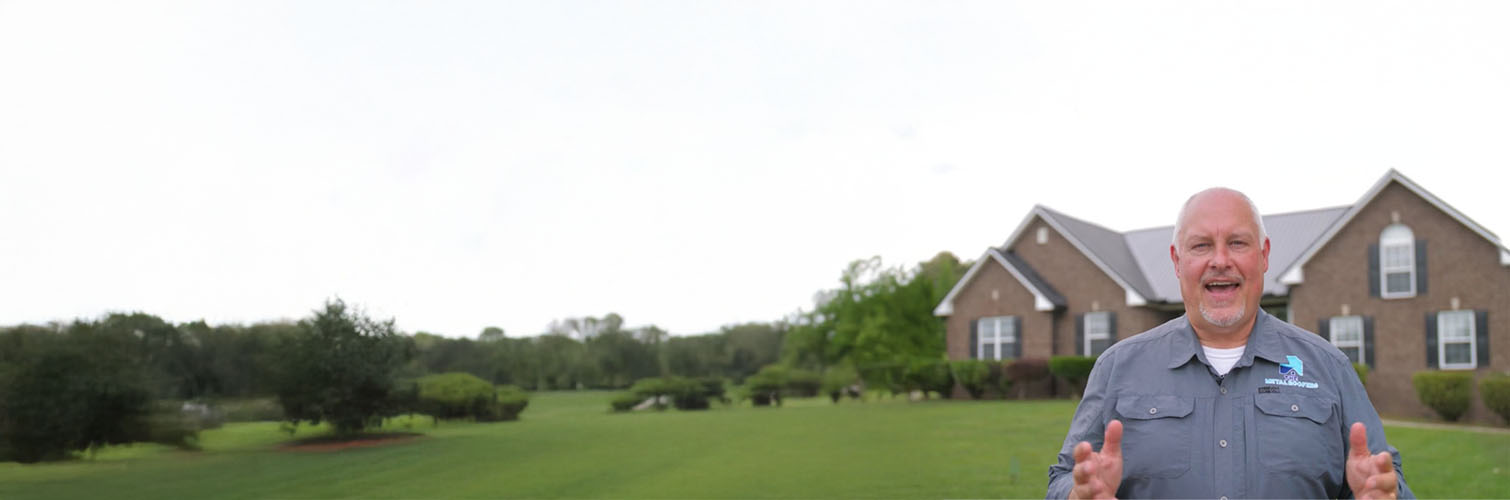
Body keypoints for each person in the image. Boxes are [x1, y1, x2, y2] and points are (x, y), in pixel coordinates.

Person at [1046, 188, 1413, 499]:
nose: (1220, 261)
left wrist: (1384, 492)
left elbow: (1384, 479)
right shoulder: (1117, 368)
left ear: (1264, 255)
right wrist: (1077, 494)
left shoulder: (1328, 367)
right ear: (1177, 260)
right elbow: (1063, 478)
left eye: (1237, 243)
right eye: (1201, 245)